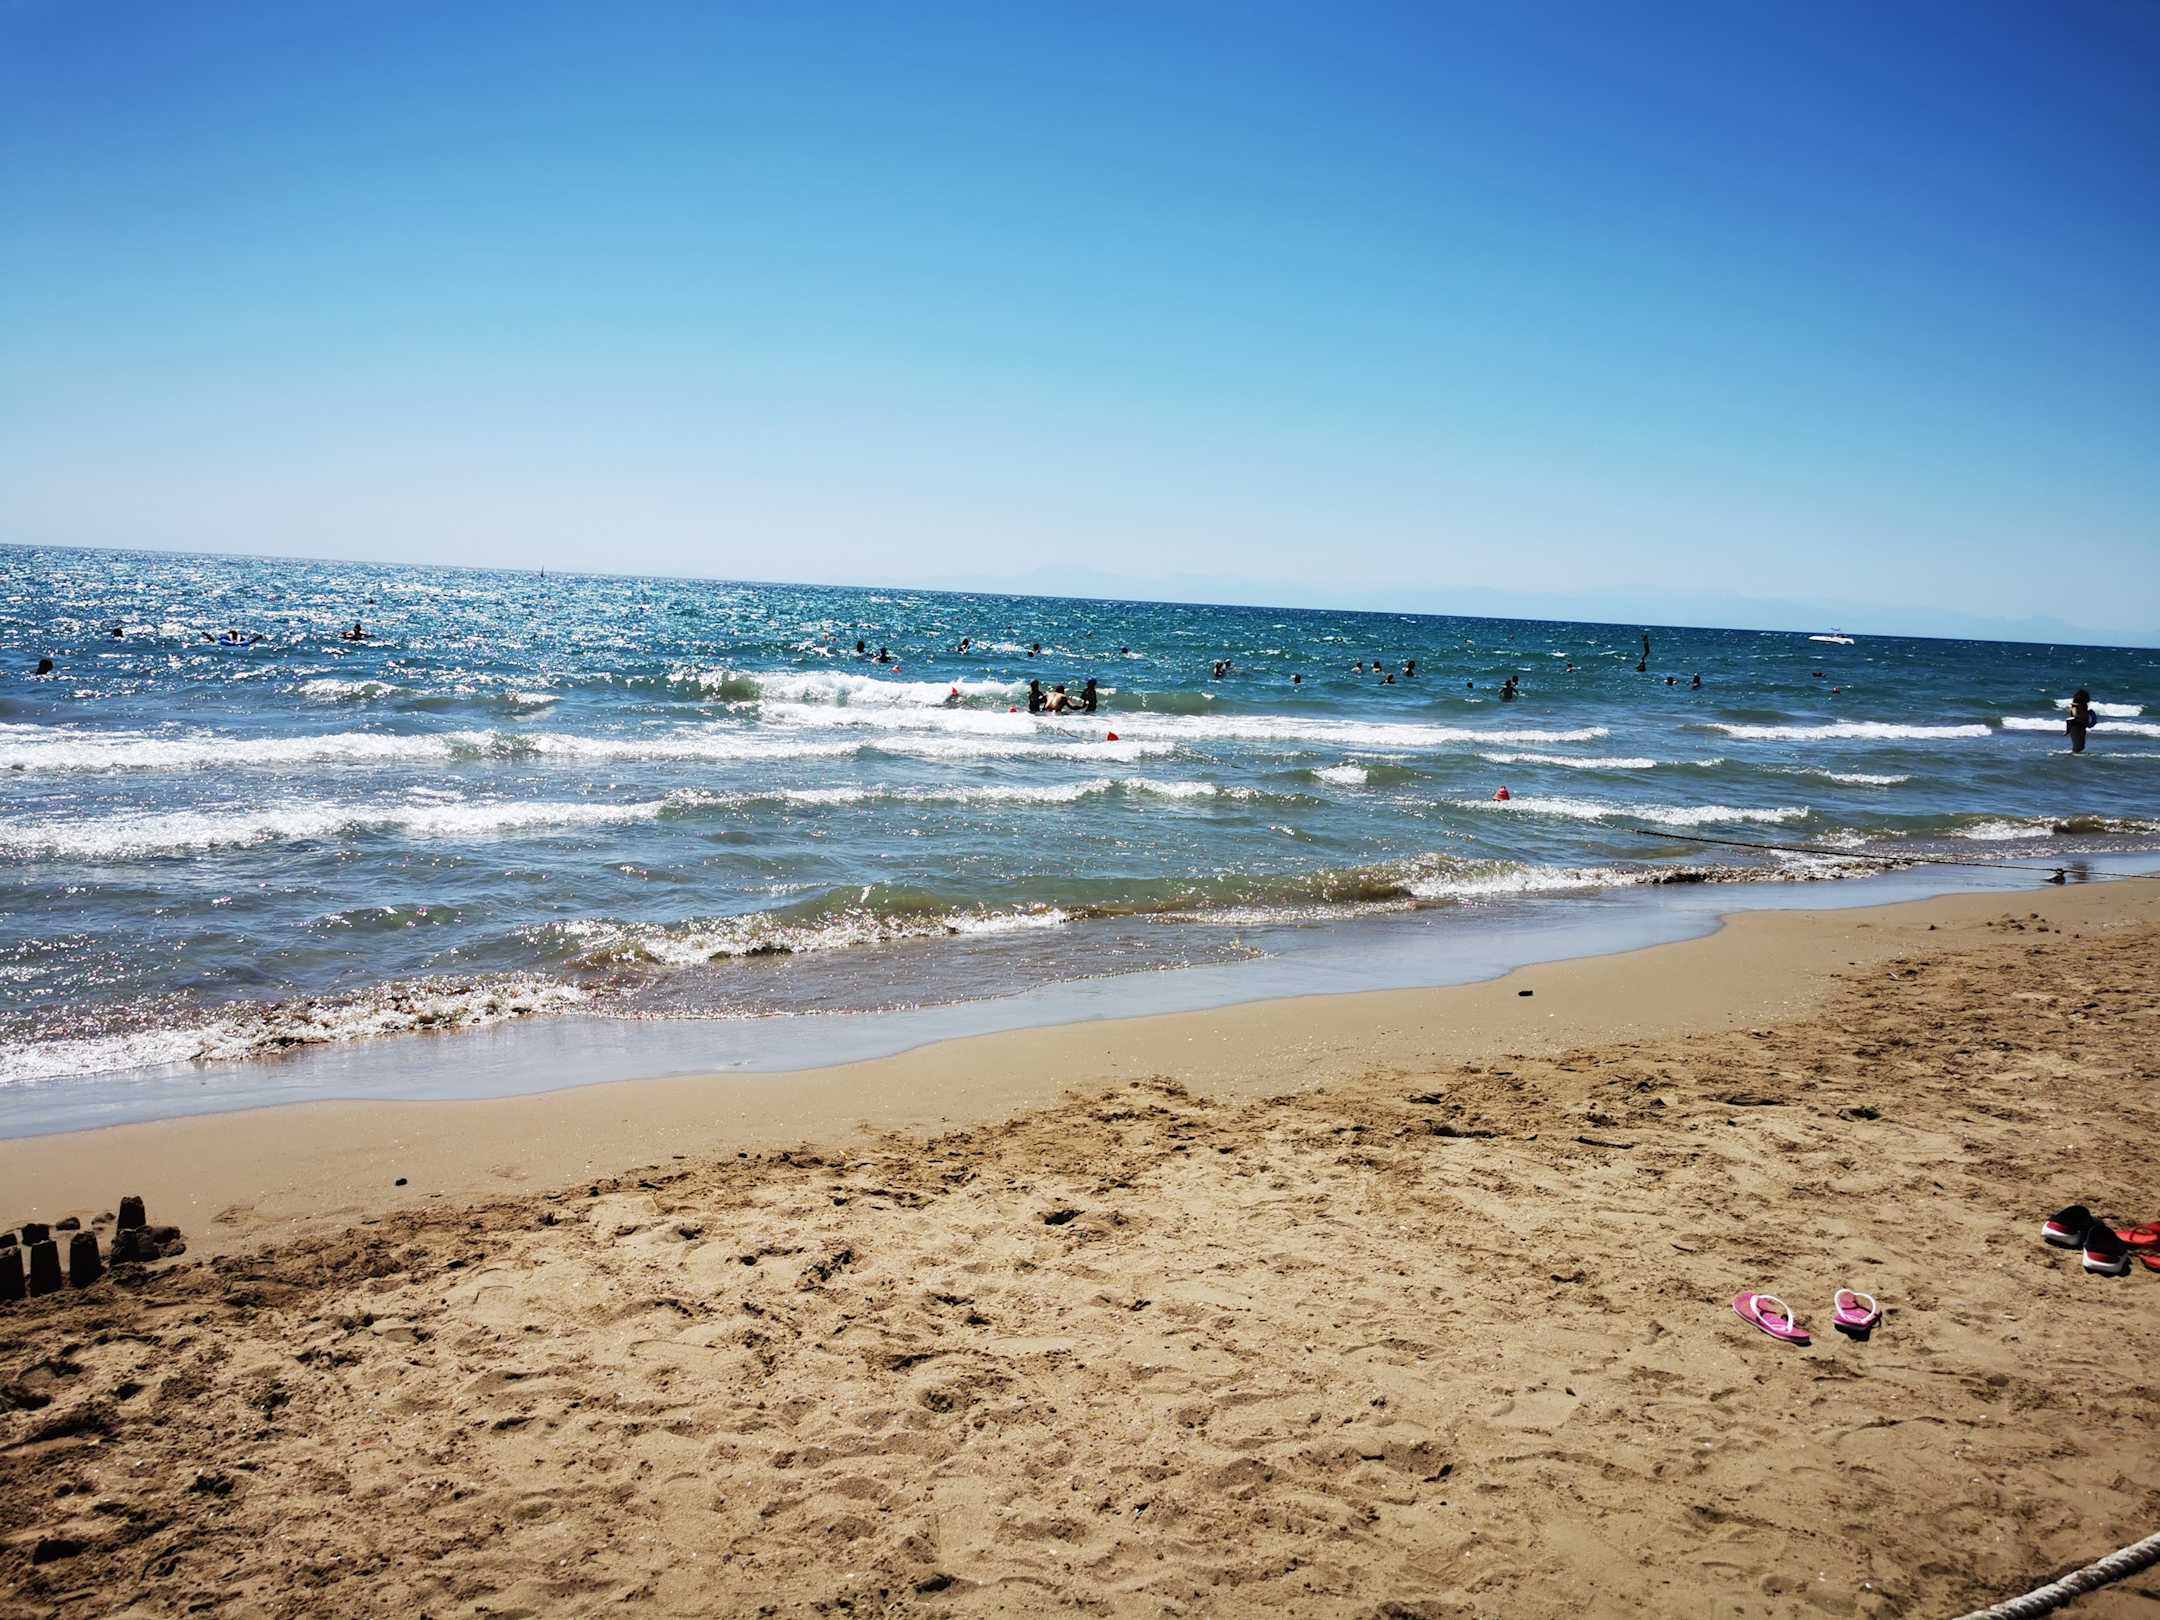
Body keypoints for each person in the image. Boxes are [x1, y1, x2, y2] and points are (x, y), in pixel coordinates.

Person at [2067, 689, 2099, 754]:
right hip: (2076, 726)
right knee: (2078, 744)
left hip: (2082, 726)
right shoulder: (2075, 706)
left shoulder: (2083, 705)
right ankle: (2074, 754)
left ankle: (2075, 753)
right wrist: (2079, 716)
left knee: (2081, 745)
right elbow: (2074, 713)